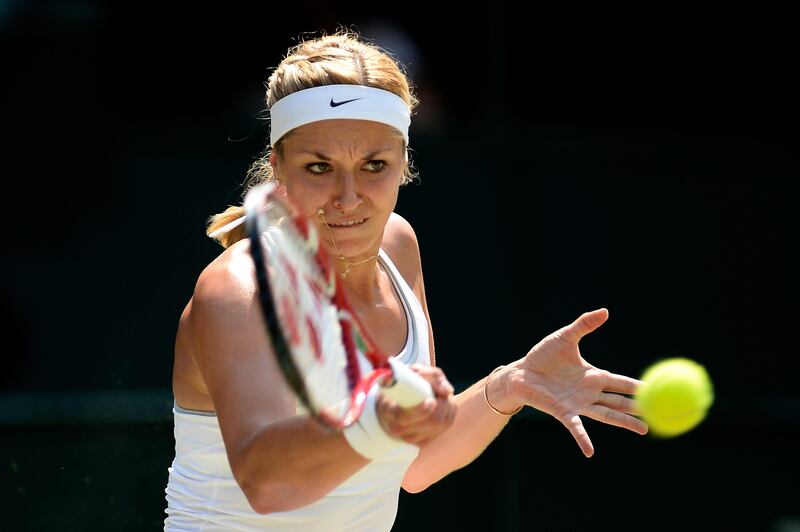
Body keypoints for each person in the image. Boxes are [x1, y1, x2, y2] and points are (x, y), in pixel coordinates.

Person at [164, 30, 649, 531]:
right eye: (319, 168)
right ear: (277, 170)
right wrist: (375, 420)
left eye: (374, 165)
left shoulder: (398, 244)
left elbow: (414, 462)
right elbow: (267, 483)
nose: (348, 198)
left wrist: (509, 385)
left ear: (404, 167)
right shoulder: (239, 290)